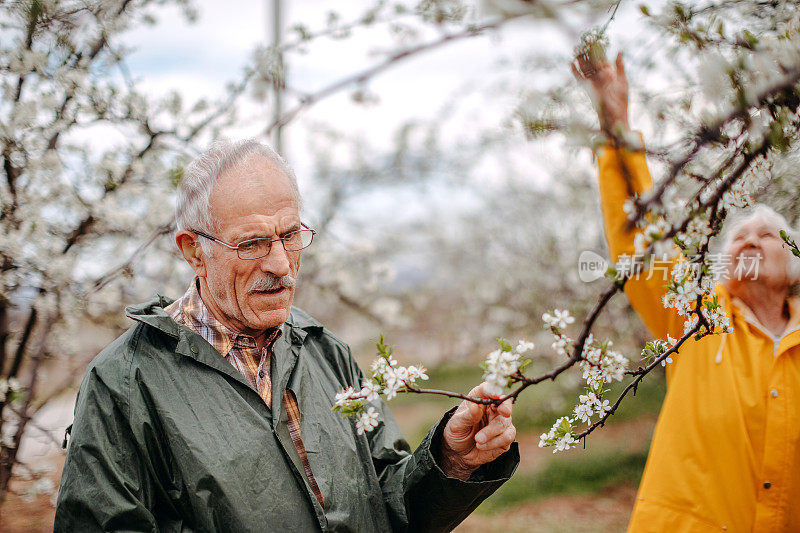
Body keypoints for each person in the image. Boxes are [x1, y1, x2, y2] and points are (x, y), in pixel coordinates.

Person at [54, 140, 519, 532]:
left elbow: (389, 507)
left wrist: (452, 459)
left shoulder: (325, 351)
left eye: (290, 235)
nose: (280, 264)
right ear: (195, 250)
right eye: (252, 243)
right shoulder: (124, 383)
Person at [575, 52, 800, 531]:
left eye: (766, 234)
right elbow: (639, 236)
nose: (747, 238)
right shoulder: (696, 316)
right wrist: (617, 128)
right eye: (738, 234)